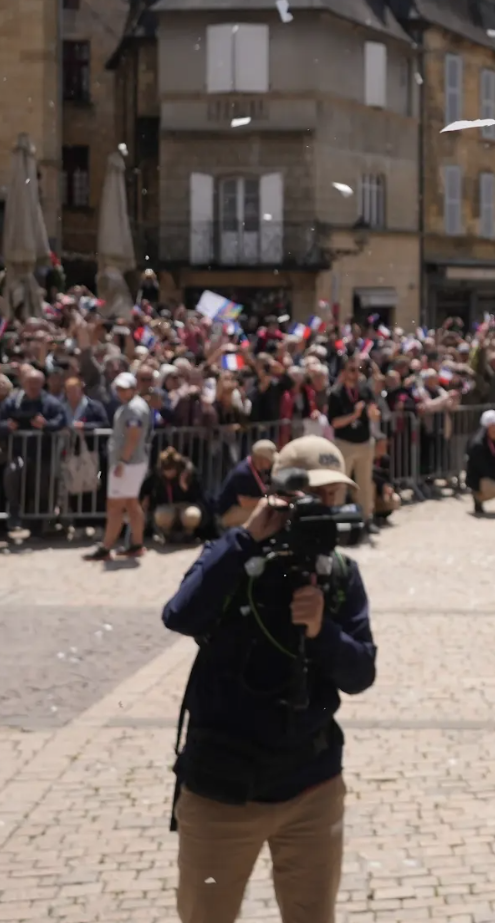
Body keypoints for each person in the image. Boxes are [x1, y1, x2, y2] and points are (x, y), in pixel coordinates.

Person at [161, 435, 377, 923]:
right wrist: (244, 541)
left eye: (332, 496)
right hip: (222, 790)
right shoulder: (235, 558)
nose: (323, 507)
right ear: (277, 495)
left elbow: (361, 673)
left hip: (311, 788)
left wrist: (323, 631)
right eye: (311, 495)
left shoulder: (339, 573)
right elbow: (180, 615)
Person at [87, 372, 150, 562]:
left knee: (115, 505)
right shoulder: (132, 406)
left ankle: (106, 547)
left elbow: (133, 436)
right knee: (131, 503)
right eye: (119, 388)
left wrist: (123, 460)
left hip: (128, 463)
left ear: (133, 388)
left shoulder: (133, 409)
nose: (121, 392)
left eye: (125, 388)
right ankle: (136, 544)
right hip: (131, 462)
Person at [325, 359, 380, 527]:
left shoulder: (365, 390)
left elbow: (374, 413)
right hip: (344, 444)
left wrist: (373, 414)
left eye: (358, 370)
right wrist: (354, 415)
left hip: (364, 442)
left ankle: (366, 519)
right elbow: (334, 422)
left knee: (365, 483)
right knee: (341, 484)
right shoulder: (335, 394)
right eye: (352, 370)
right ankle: (338, 521)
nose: (356, 374)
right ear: (343, 372)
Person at [213, 438, 276, 532]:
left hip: (240, 509)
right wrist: (269, 501)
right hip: (228, 512)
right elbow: (244, 502)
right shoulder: (243, 472)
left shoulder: (260, 470)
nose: (272, 463)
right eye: (269, 460)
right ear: (260, 459)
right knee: (264, 514)